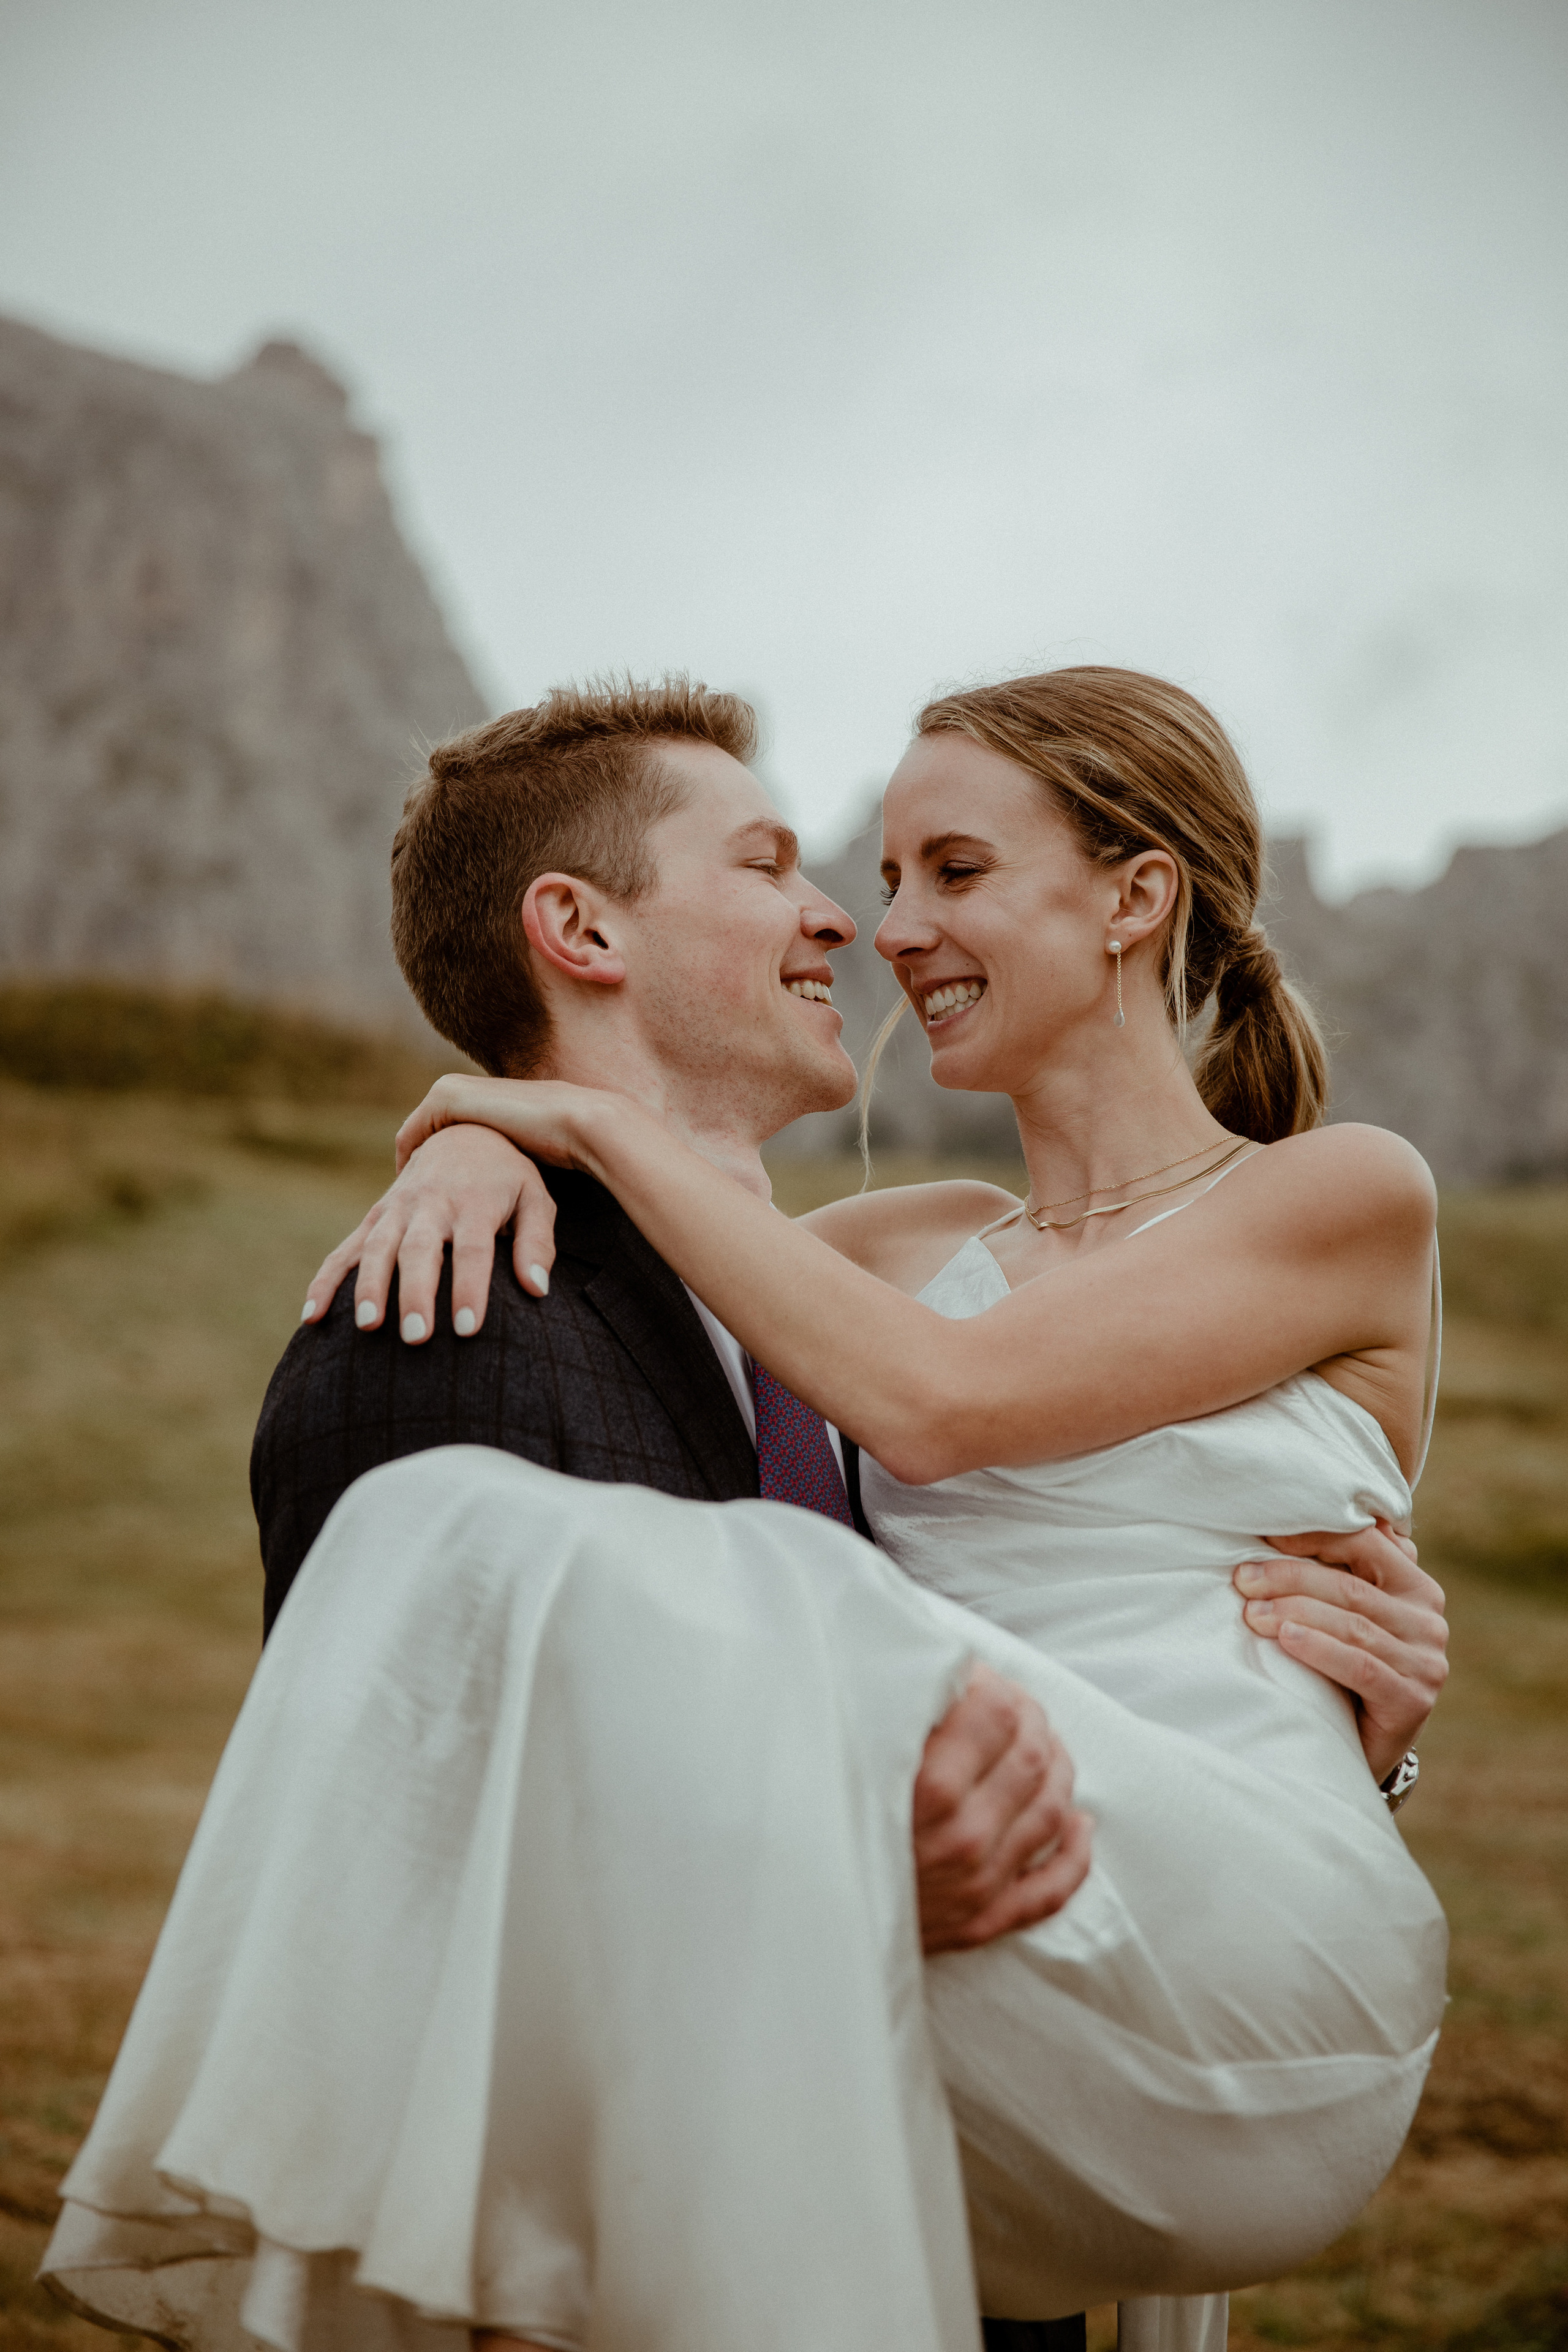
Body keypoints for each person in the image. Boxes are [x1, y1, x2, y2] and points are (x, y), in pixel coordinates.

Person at [43, 674, 1449, 2352]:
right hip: (970, 1996)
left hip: (1234, 1920)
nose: (884, 926)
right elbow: (696, 1266)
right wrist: (470, 1147)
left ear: (1138, 898)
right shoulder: (898, 1252)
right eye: (879, 872)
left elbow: (941, 1410)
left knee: (515, 1548)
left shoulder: (1343, 1192)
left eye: (954, 872)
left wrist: (1372, 1741)